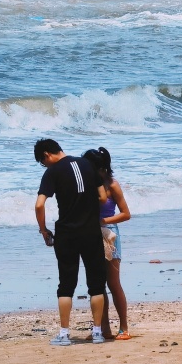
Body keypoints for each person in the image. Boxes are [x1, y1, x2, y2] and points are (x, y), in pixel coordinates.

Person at [34, 138, 108, 346]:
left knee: (66, 285)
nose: (45, 165)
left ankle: (64, 334)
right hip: (91, 231)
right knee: (96, 283)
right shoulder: (87, 164)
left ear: (47, 154)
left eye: (43, 162)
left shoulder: (52, 172)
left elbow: (39, 205)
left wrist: (43, 230)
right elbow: (102, 196)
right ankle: (97, 333)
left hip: (67, 233)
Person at [83, 147, 131, 340]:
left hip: (109, 234)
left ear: (100, 168)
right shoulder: (87, 184)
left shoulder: (112, 185)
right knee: (97, 285)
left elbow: (126, 214)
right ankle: (103, 329)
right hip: (90, 233)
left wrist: (103, 221)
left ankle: (124, 327)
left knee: (113, 283)